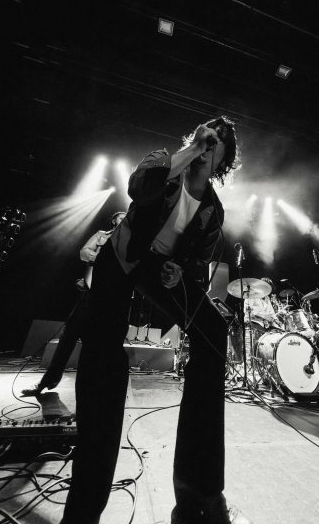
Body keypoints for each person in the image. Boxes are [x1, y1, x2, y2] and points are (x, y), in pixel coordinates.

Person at [60, 116, 250, 524]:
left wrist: (179, 270)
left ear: (223, 161)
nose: (211, 140)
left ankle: (199, 486)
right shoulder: (166, 161)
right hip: (122, 257)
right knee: (104, 361)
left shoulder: (212, 211)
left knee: (212, 329)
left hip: (158, 269)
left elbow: (196, 261)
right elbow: (138, 188)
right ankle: (84, 508)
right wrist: (191, 150)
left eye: (219, 141)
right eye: (207, 133)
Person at [22, 211, 126, 396]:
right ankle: (47, 381)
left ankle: (95, 390)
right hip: (91, 291)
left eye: (127, 216)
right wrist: (103, 259)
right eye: (120, 216)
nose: (124, 218)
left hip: (112, 295)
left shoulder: (130, 238)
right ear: (114, 220)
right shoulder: (101, 235)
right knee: (69, 335)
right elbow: (84, 253)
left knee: (100, 342)